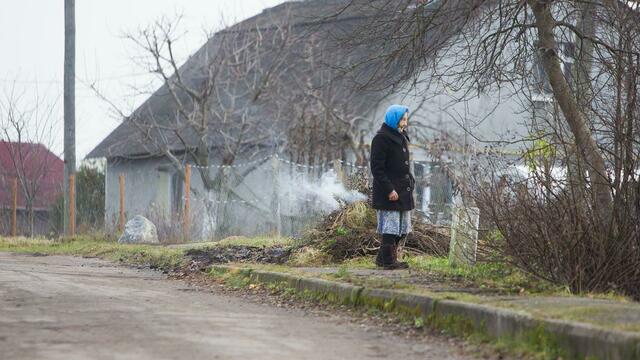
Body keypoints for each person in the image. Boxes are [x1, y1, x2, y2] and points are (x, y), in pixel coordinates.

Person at [370, 105, 415, 270]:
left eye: (406, 119)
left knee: (402, 229)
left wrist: (411, 180)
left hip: (403, 189)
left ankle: (383, 259)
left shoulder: (401, 137)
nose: (405, 122)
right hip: (389, 191)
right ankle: (388, 261)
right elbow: (377, 168)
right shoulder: (381, 138)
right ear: (393, 119)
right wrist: (389, 189)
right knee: (391, 227)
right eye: (402, 119)